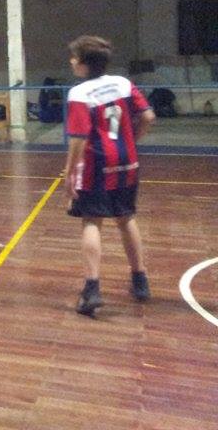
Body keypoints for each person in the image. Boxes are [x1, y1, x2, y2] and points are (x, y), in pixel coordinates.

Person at [63, 35, 155, 316]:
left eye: (75, 58)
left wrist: (69, 172)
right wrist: (131, 141)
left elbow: (78, 138)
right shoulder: (123, 84)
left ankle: (92, 290)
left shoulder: (80, 93)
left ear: (84, 64)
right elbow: (148, 116)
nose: (72, 62)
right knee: (126, 217)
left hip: (97, 164)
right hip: (127, 160)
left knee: (92, 220)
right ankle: (140, 281)